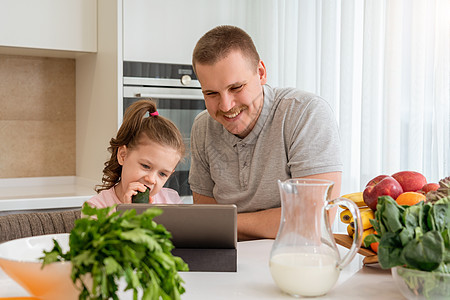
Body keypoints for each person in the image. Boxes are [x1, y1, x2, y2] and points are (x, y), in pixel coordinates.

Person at [189, 25, 343, 240]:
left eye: (236, 88)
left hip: (294, 261)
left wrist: (224, 222)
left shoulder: (305, 113)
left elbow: (315, 218)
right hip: (229, 263)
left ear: (260, 73)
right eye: (211, 93)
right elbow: (206, 223)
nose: (225, 106)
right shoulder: (202, 127)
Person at [86, 99, 185, 210]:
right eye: (146, 166)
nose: (151, 179)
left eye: (162, 174)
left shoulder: (171, 200)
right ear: (123, 155)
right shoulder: (96, 207)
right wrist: (129, 212)